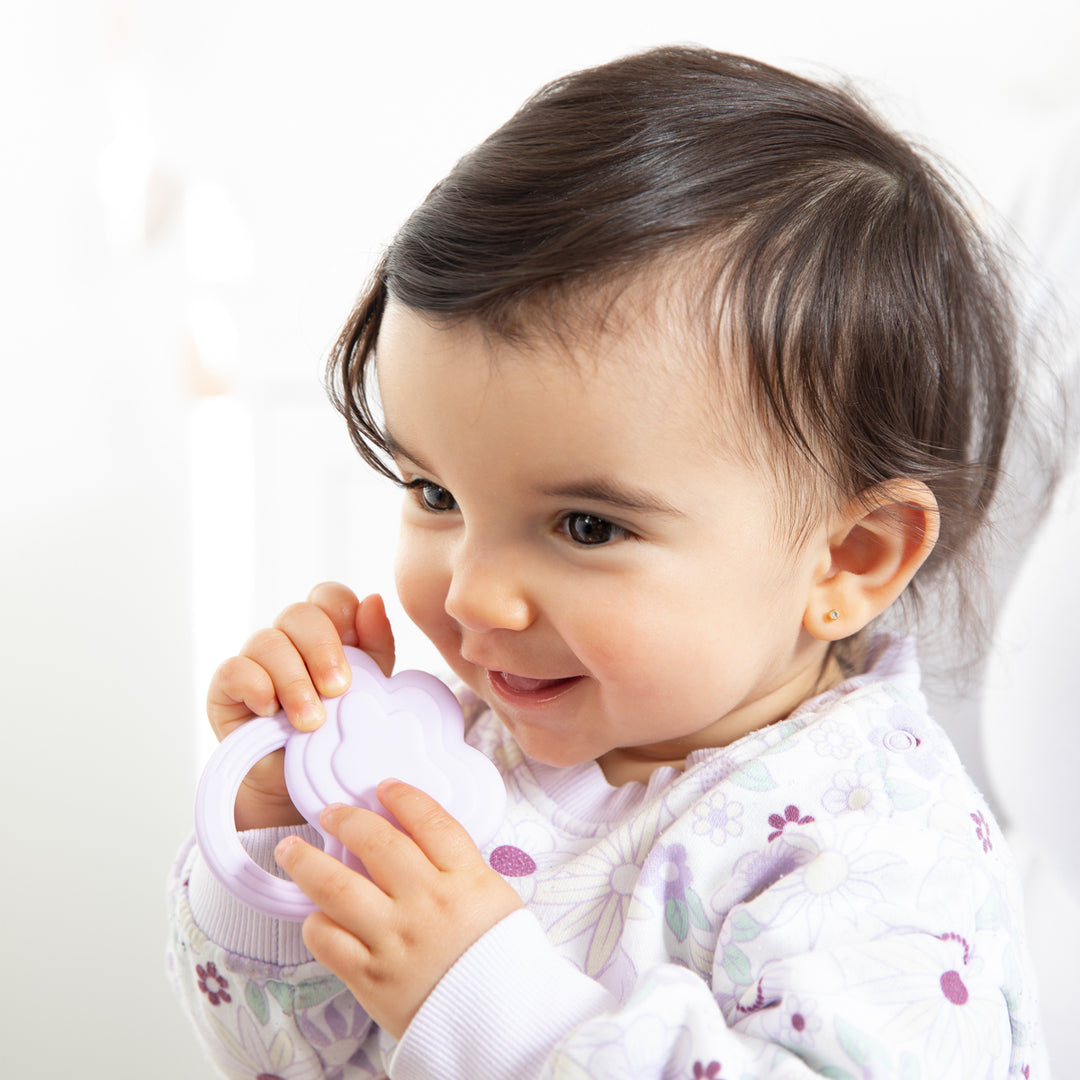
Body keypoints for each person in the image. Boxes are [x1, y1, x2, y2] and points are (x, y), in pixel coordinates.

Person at [167, 46, 1052, 1079]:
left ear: (846, 559)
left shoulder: (871, 844)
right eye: (437, 495)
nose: (474, 596)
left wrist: (490, 1011)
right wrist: (277, 837)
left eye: (586, 527)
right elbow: (277, 1057)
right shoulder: (470, 747)